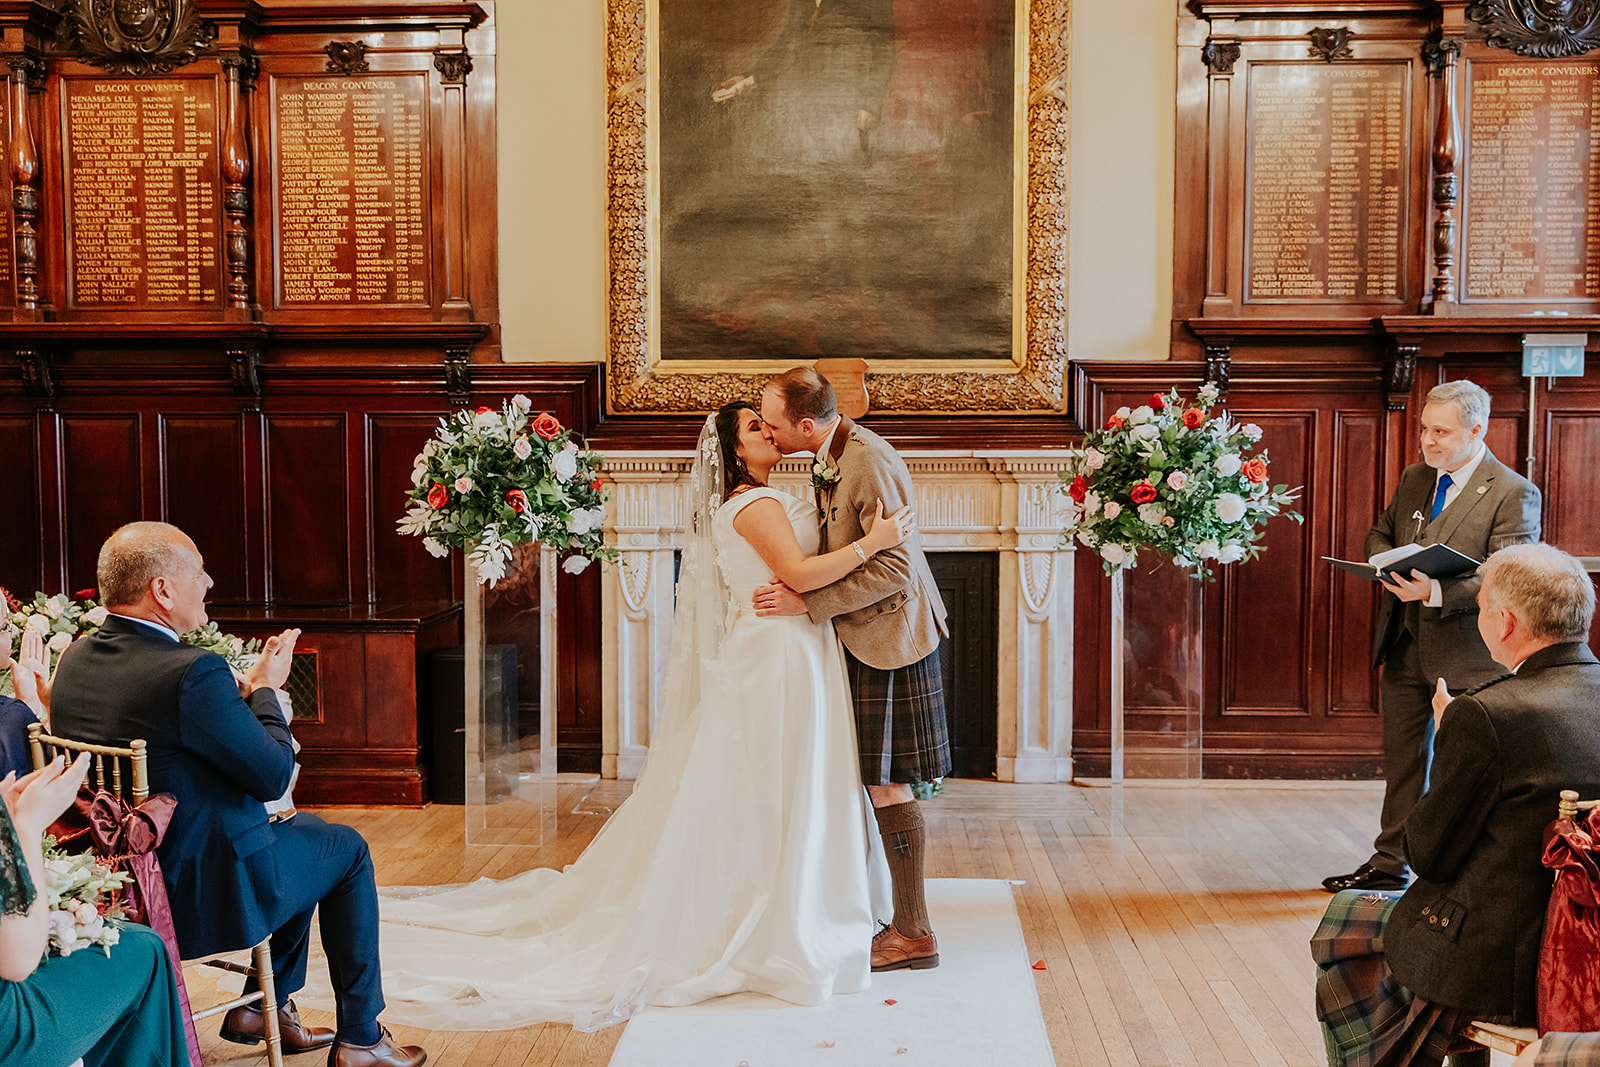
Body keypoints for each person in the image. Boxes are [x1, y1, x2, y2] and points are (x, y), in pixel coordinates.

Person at [294, 401, 909, 1032]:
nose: (768, 431)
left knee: (777, 788)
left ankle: (792, 901)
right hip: (776, 655)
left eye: (765, 421)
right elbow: (801, 572)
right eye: (754, 427)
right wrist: (874, 544)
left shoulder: (772, 497)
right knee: (777, 786)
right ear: (732, 452)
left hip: (787, 648)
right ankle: (776, 919)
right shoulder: (752, 504)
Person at [49, 522, 427, 1067]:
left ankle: (270, 1010)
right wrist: (267, 689)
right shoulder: (191, 673)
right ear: (162, 590)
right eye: (197, 570)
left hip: (114, 888)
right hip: (196, 893)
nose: (208, 581)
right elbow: (273, 774)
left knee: (312, 837)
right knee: (346, 850)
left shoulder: (78, 658)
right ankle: (362, 1039)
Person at [1313, 543, 1600, 1067]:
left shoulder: (1485, 714)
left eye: (1483, 606)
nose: (1480, 618)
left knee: (1346, 925)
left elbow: (1428, 855)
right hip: (1592, 948)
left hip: (1510, 964)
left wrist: (1450, 740)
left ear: (1506, 622)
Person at [755, 365, 952, 972]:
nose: (766, 430)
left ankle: (914, 933)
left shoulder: (867, 459)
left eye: (773, 422)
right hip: (863, 636)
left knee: (887, 782)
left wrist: (805, 602)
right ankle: (891, 918)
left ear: (806, 425)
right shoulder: (831, 452)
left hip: (890, 640)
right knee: (875, 780)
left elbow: (896, 568)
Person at [1324, 379, 1541, 893]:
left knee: (1460, 768)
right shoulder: (1417, 477)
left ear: (1476, 430)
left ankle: (1455, 872)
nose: (1428, 441)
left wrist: (1436, 592)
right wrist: (1383, 561)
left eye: (1441, 432)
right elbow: (1381, 531)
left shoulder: (1512, 491)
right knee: (1403, 762)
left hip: (1466, 654)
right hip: (1403, 643)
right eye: (1425, 430)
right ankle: (1388, 865)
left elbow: (1505, 573)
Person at [1, 749, 192, 1065]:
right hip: (8, 1026)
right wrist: (27, 829)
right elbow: (18, 961)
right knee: (147, 949)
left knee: (131, 942)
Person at [0, 621, 49, 778]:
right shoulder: (11, 713)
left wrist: (27, 704)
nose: (13, 633)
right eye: (4, 627)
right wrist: (48, 707)